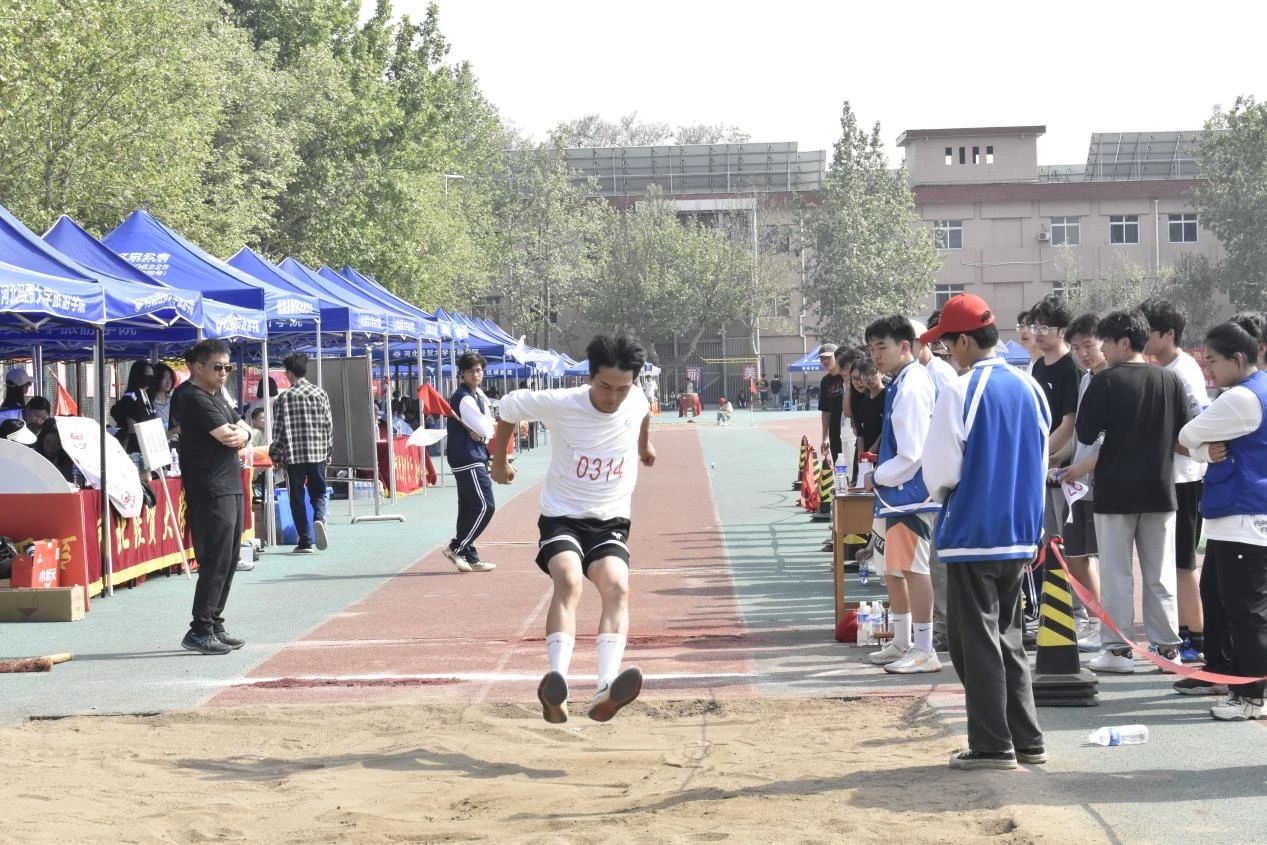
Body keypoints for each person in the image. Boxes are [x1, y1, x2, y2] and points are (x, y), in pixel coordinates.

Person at [491, 334, 655, 724]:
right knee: (568, 580)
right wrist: (499, 461)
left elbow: (644, 411)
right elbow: (509, 407)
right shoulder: (563, 403)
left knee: (617, 586)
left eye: (621, 389)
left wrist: (643, 447)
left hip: (611, 519)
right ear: (590, 377)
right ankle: (556, 685)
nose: (612, 397)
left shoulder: (636, 398)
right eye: (605, 387)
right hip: (562, 515)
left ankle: (605, 689)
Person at [921, 293, 1050, 770]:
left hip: (973, 531)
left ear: (963, 341)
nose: (945, 351)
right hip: (1019, 530)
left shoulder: (960, 389)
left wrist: (948, 497)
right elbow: (1040, 461)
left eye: (947, 342)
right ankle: (1027, 738)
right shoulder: (1030, 386)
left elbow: (940, 471)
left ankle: (993, 744)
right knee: (1009, 636)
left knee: (973, 641)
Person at [1075, 310, 1191, 674]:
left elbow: (1085, 433)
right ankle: (1168, 651)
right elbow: (1184, 434)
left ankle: (1118, 651)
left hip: (1115, 492)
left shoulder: (1105, 381)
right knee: (1160, 574)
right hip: (1160, 490)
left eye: (1106, 343)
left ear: (1123, 342)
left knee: (1117, 575)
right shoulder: (1169, 380)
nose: (1103, 350)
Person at [1175, 317, 1267, 716]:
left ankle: (1251, 696)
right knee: (1235, 605)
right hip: (1244, 515)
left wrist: (1201, 449)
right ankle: (1241, 687)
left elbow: (1186, 435)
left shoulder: (1240, 398)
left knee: (1246, 612)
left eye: (1212, 360)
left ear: (1238, 358)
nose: (1208, 369)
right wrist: (1204, 451)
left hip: (1243, 516)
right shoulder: (1257, 390)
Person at [861, 316, 942, 674]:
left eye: (882, 347)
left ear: (905, 346)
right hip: (896, 493)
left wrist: (877, 476)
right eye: (871, 349)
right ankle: (902, 641)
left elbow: (913, 452)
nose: (876, 356)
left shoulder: (912, 386)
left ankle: (924, 648)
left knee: (912, 568)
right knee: (894, 568)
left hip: (911, 494)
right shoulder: (901, 382)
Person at [1140, 297, 1211, 663]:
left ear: (1168, 334)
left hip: (1184, 480)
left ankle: (1195, 637)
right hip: (1173, 478)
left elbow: (1197, 431)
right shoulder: (1169, 369)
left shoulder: (1182, 373)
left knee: (1183, 562)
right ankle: (1183, 633)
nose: (1142, 339)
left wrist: (1161, 440)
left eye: (1148, 332)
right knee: (1171, 563)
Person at [177, 339, 251, 656]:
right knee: (216, 559)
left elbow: (244, 429)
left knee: (230, 558)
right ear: (197, 367)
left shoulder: (216, 395)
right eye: (217, 367)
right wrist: (242, 435)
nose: (223, 373)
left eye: (227, 367)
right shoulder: (191, 397)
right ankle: (200, 628)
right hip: (210, 486)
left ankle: (214, 623)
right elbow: (227, 436)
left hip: (229, 482)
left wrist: (244, 434)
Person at [1055, 313, 1108, 653]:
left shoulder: (1114, 379)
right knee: (1074, 554)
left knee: (1105, 559)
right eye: (1076, 348)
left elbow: (1113, 439)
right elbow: (1078, 434)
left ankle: (1107, 626)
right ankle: (1096, 621)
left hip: (1102, 483)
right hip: (1078, 484)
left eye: (1089, 345)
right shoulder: (1087, 379)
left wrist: (1085, 465)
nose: (1083, 354)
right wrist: (1057, 458)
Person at [1028, 295, 1082, 534]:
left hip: (1066, 471)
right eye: (1035, 327)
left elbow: (1070, 423)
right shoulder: (1038, 367)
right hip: (1042, 468)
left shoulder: (1072, 368)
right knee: (1046, 539)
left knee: (1066, 539)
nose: (1037, 333)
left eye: (1044, 328)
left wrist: (1039, 454)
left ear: (1063, 331)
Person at [270, 353, 334, 555]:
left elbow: (278, 430)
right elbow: (328, 426)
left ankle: (305, 541)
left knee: (296, 498)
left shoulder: (283, 398)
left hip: (293, 456)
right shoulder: (320, 393)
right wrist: (328, 450)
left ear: (289, 373)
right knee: (319, 492)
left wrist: (275, 454)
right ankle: (319, 519)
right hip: (318, 454)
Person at [442, 351, 498, 573]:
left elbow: (488, 428)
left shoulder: (477, 396)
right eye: (471, 371)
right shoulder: (464, 397)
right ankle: (456, 547)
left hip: (472, 456)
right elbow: (486, 428)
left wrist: (484, 433)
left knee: (467, 507)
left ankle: (469, 555)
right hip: (468, 457)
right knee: (485, 505)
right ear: (462, 374)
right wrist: (485, 433)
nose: (476, 374)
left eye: (479, 370)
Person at [110, 360, 158, 455]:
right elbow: (116, 411)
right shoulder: (131, 395)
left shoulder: (147, 395)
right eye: (147, 375)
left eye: (152, 375)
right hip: (135, 444)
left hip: (149, 442)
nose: (151, 378)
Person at [817, 344, 843, 462]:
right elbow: (825, 411)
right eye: (822, 358)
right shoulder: (825, 381)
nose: (825, 361)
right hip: (834, 431)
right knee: (839, 465)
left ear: (837, 357)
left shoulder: (848, 375)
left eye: (828, 357)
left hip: (850, 431)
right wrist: (825, 437)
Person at [33, 417, 76, 482]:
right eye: (48, 442)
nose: (51, 447)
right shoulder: (33, 459)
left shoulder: (67, 462)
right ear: (41, 441)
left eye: (57, 444)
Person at [149, 363, 179, 441]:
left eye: (170, 378)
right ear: (157, 378)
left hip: (175, 443)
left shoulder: (173, 400)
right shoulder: (148, 402)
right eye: (165, 378)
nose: (168, 382)